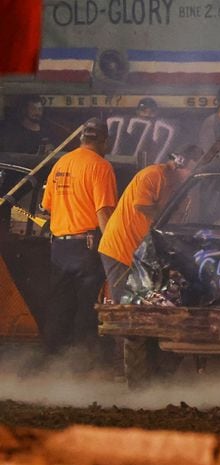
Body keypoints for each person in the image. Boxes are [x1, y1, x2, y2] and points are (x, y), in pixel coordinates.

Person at [40, 117, 118, 357]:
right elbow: (103, 211)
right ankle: (84, 362)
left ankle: (53, 359)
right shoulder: (100, 166)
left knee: (59, 306)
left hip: (59, 248)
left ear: (82, 138)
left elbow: (47, 205)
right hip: (86, 247)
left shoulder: (61, 163)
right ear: (105, 141)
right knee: (87, 306)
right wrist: (112, 247)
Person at [98, 145, 203, 303]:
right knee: (122, 302)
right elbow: (141, 205)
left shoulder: (178, 186)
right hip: (121, 248)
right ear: (180, 162)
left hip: (140, 253)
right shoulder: (153, 175)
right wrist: (165, 219)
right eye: (191, 171)